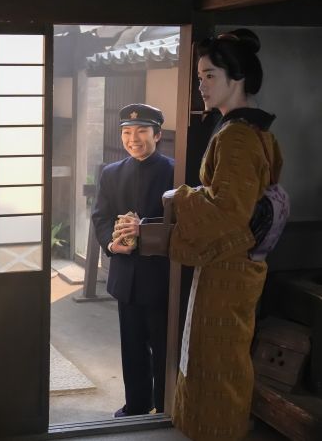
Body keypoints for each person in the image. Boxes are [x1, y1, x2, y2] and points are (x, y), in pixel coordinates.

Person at [168, 29, 283, 441]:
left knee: (215, 360)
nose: (201, 85)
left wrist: (180, 196)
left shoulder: (236, 136)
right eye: (200, 76)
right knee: (221, 356)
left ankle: (217, 433)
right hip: (239, 261)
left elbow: (229, 212)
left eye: (209, 76)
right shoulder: (256, 131)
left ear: (238, 78)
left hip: (228, 263)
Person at [91, 103, 174, 417]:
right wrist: (111, 244)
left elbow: (183, 224)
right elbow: (100, 217)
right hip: (126, 275)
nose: (133, 139)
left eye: (141, 131)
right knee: (132, 346)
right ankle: (137, 405)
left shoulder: (175, 172)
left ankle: (165, 407)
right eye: (127, 132)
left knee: (163, 347)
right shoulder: (111, 173)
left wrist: (144, 229)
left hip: (162, 275)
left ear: (158, 135)